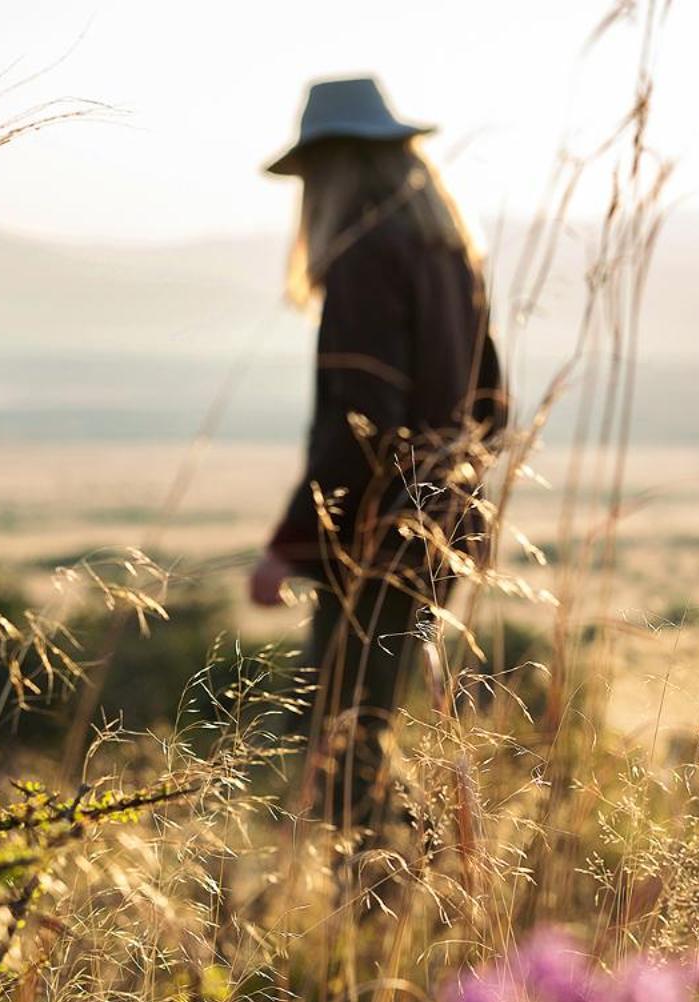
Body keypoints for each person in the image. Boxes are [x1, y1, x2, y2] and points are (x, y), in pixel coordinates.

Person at [249, 77, 507, 838]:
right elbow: (492, 405)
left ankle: (379, 917)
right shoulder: (450, 256)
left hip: (375, 542)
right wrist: (453, 511)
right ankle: (417, 903)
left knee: (343, 751)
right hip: (437, 536)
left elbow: (358, 428)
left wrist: (287, 547)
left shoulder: (366, 256)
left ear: (334, 170)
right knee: (369, 734)